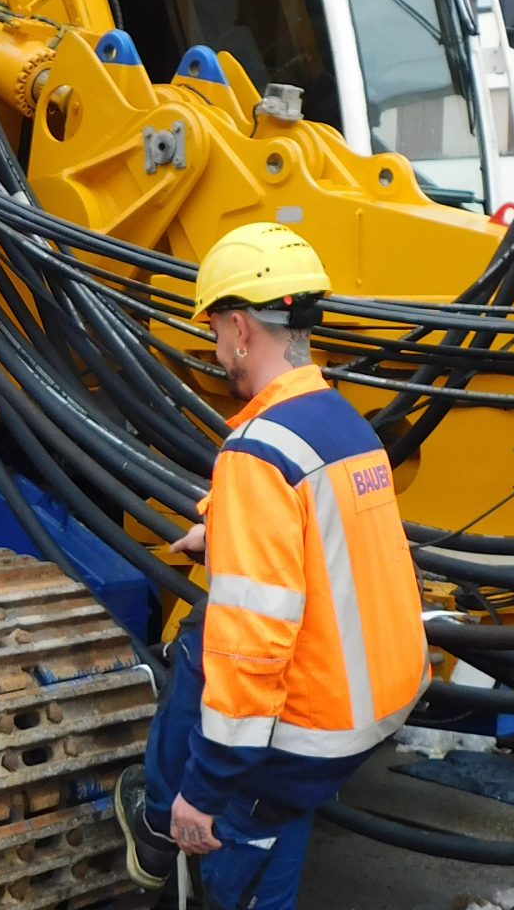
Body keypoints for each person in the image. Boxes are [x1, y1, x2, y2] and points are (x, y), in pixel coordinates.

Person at [114, 222, 430, 910]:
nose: (215, 346)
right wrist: (224, 524)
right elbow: (307, 528)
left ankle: (164, 824)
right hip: (376, 705)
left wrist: (205, 789)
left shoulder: (257, 453)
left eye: (214, 331)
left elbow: (254, 640)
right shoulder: (343, 424)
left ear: (238, 327)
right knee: (201, 637)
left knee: (238, 863)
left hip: (309, 737)